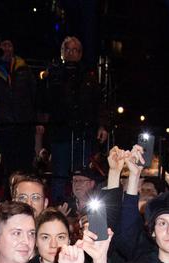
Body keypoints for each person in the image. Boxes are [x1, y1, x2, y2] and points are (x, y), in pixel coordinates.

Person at [38, 36, 109, 204]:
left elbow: (99, 103)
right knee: (59, 176)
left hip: (84, 133)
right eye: (68, 49)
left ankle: (83, 208)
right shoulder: (52, 75)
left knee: (83, 175)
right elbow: (43, 103)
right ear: (62, 52)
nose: (71, 53)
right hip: (60, 132)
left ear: (80, 53)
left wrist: (102, 125)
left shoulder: (89, 76)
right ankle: (59, 208)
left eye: (75, 50)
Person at [0, 38, 37, 175]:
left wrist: (37, 120)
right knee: (8, 168)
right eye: (4, 45)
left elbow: (35, 96)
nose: (7, 48)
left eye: (10, 45)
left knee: (26, 166)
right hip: (5, 126)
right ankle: (9, 195)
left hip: (25, 126)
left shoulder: (24, 69)